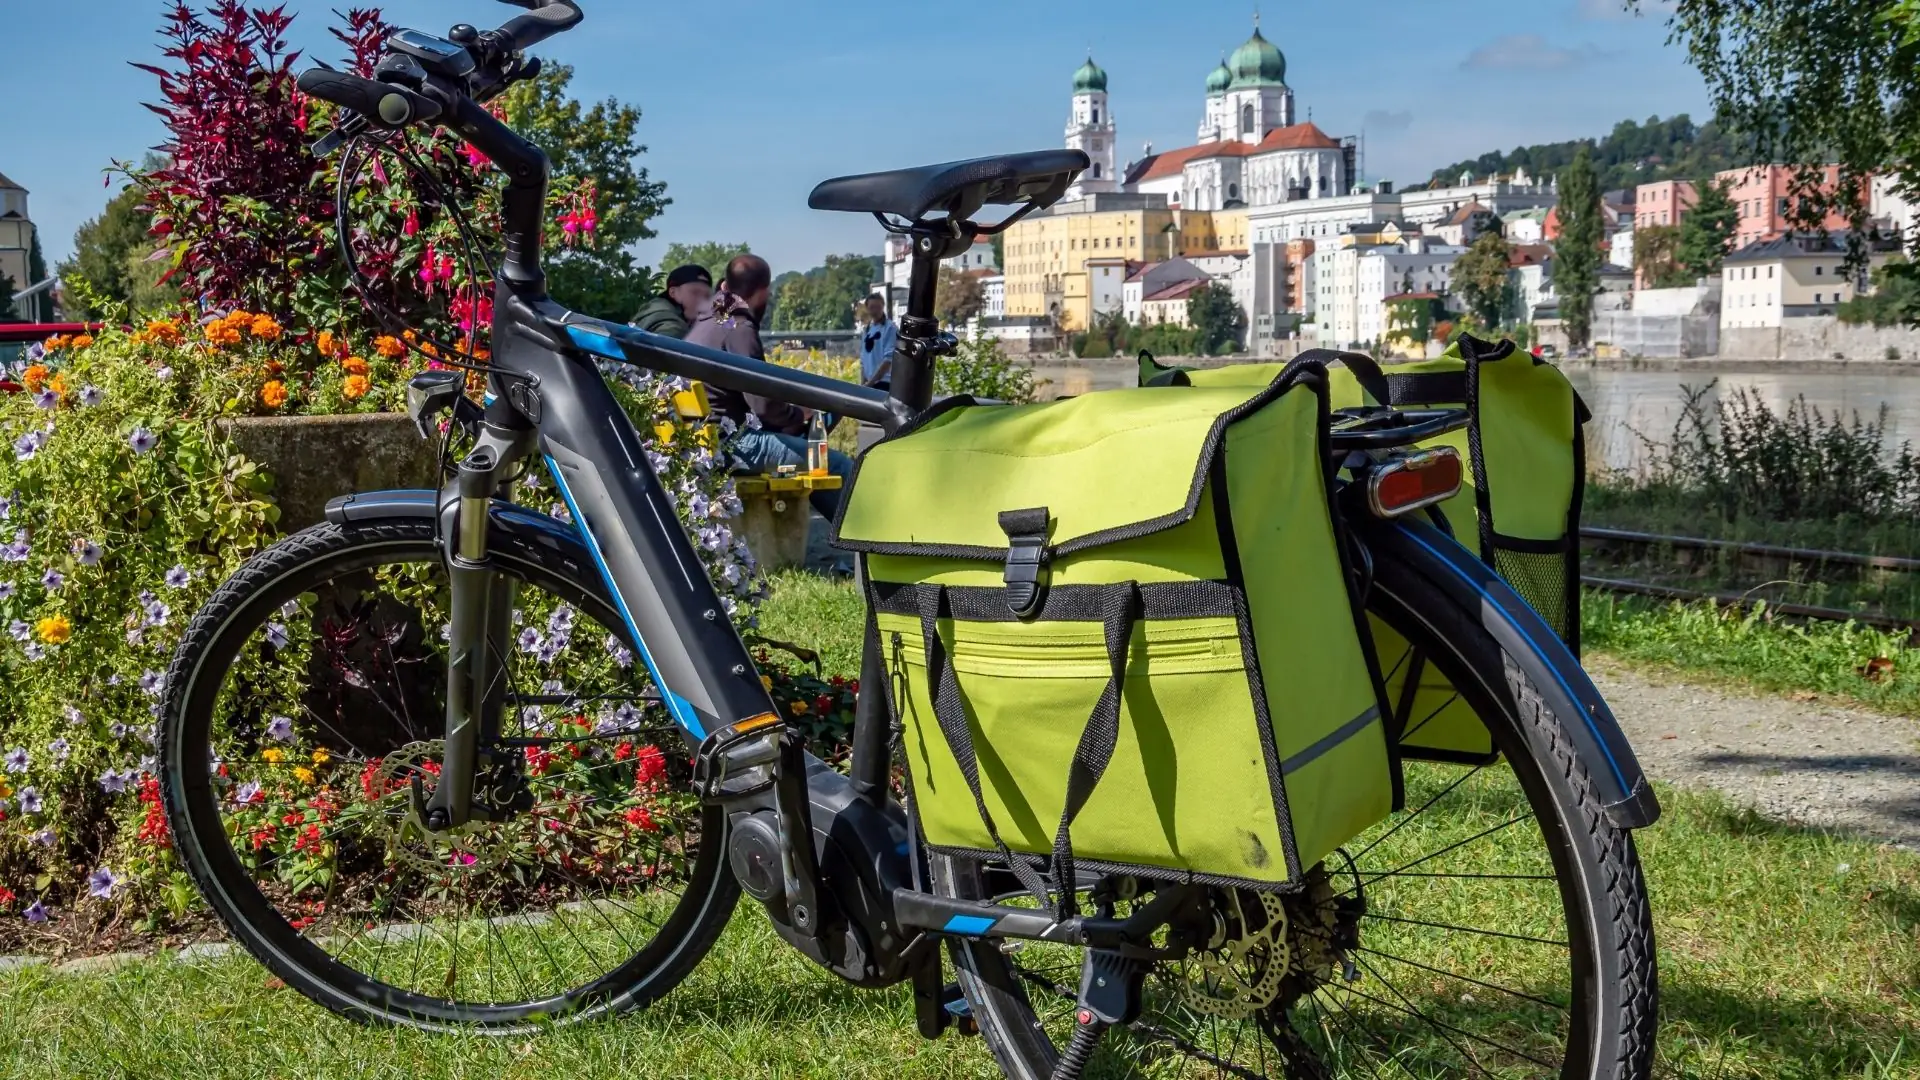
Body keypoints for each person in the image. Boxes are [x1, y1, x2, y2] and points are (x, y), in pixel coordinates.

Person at [687, 255, 853, 519]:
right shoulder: (739, 328)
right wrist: (799, 415)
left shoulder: (712, 317)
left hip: (704, 439)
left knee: (812, 452)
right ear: (763, 291)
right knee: (840, 467)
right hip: (735, 444)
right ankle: (872, 547)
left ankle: (839, 534)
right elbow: (763, 406)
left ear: (725, 286)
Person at [630, 264, 713, 338]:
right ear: (673, 292)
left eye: (707, 296)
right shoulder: (674, 328)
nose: (702, 301)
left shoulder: (650, 312)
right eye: (695, 292)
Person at [857, 295, 897, 389]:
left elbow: (888, 359)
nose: (875, 311)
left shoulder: (890, 328)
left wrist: (871, 383)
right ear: (867, 308)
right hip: (869, 383)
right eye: (872, 307)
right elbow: (863, 360)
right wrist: (863, 383)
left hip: (884, 382)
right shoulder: (867, 330)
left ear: (883, 307)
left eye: (878, 307)